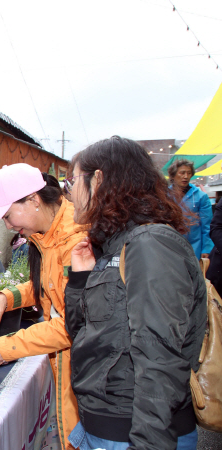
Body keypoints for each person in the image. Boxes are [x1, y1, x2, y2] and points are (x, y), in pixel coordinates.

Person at [65, 137, 206, 450]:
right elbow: (83, 334)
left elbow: (160, 356)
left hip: (133, 434)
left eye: (72, 181)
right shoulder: (111, 246)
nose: (69, 193)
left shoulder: (150, 244)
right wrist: (80, 278)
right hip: (102, 428)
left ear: (97, 179)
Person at [0, 163, 87, 450]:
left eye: (8, 215)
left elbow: (70, 325)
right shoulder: (45, 235)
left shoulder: (75, 241)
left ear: (34, 200)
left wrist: (5, 347)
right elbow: (48, 286)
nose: (9, 225)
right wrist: (5, 297)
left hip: (85, 367)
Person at [168, 158, 213, 259]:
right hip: (169, 244)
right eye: (182, 173)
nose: (186, 176)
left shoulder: (201, 196)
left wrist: (206, 248)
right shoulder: (164, 195)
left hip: (194, 246)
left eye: (189, 173)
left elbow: (207, 225)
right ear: (173, 175)